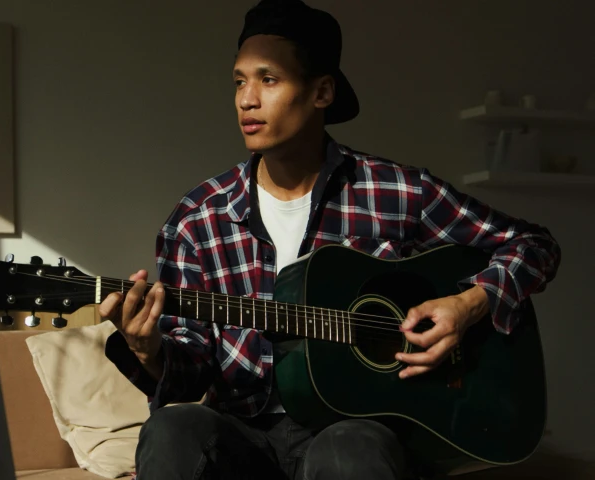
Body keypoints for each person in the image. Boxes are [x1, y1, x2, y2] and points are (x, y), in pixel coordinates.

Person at [100, 1, 562, 479]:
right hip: (243, 432)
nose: (246, 99)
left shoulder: (396, 191)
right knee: (172, 429)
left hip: (353, 430)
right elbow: (189, 369)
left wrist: (467, 306)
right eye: (239, 81)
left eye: (268, 80)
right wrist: (148, 349)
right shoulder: (197, 219)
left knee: (349, 448)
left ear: (322, 91)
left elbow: (533, 244)